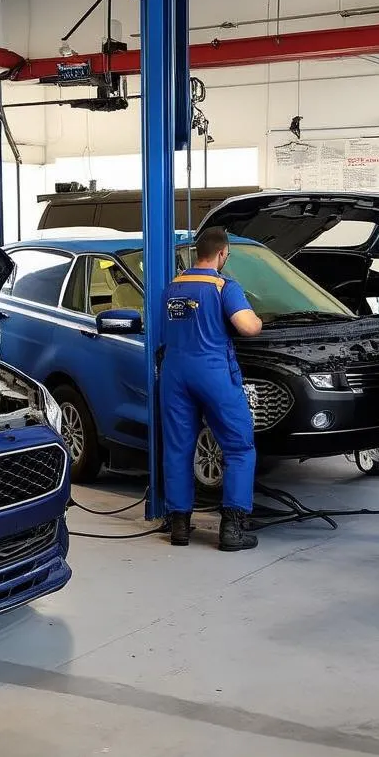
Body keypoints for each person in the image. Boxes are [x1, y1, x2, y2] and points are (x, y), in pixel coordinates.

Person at [160, 226, 264, 552]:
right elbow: (248, 327)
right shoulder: (223, 286)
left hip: (174, 375)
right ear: (222, 253)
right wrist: (259, 320)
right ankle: (232, 528)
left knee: (178, 448)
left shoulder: (172, 287)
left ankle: (179, 525)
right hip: (213, 373)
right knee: (239, 447)